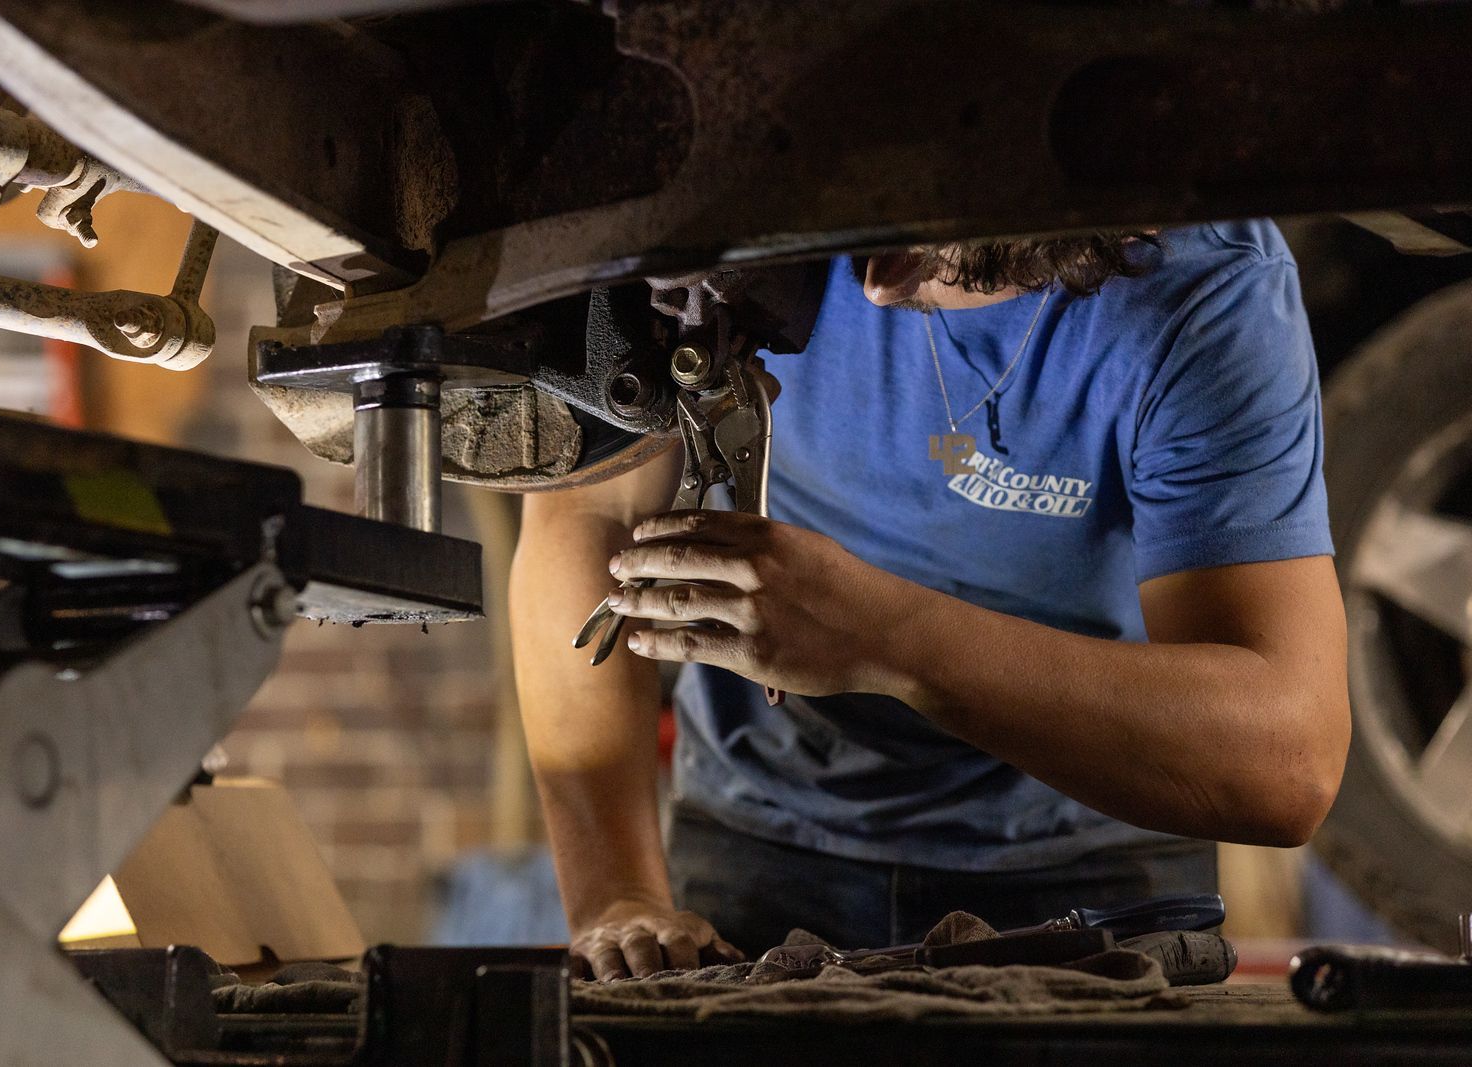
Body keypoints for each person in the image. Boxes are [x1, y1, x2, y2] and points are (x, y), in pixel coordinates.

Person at [509, 220, 1350, 980]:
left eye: (943, 249)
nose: (871, 283)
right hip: (764, 833)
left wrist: (884, 638)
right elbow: (594, 511)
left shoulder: (1204, 294)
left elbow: (1288, 760)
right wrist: (618, 894)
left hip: (1088, 854)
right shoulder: (755, 205)